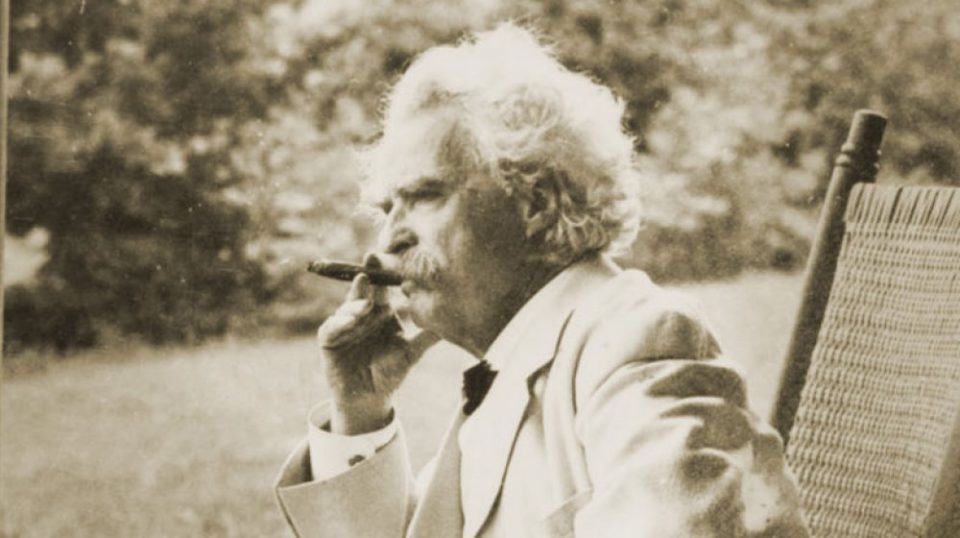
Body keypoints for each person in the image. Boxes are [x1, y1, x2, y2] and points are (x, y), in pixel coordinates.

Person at [275, 23, 809, 537]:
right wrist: (360, 408)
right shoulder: (517, 361)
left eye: (425, 197)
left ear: (535, 203)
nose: (388, 240)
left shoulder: (636, 342)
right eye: (387, 208)